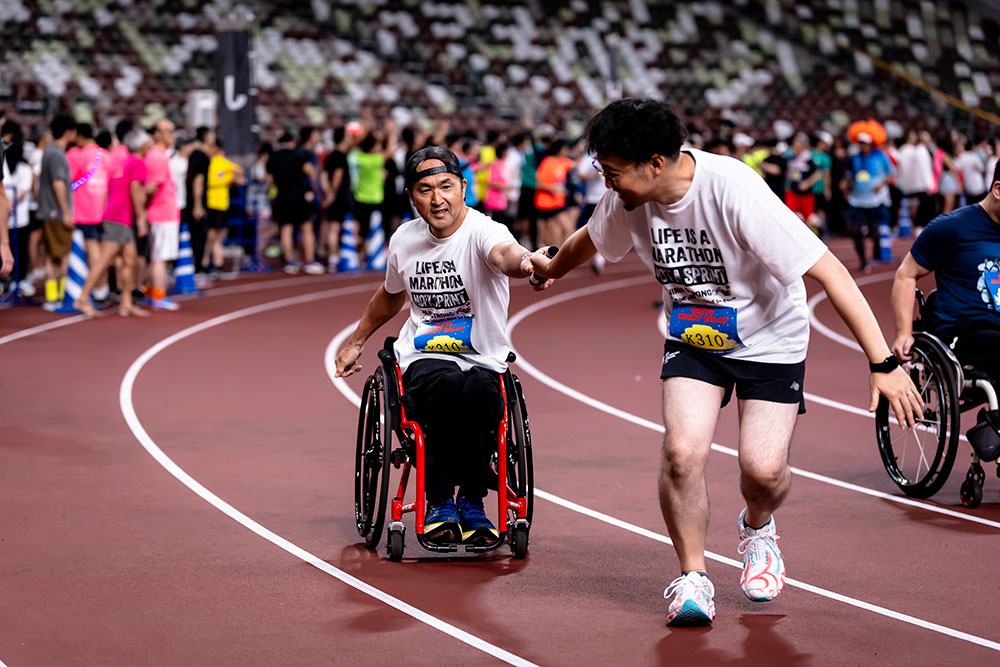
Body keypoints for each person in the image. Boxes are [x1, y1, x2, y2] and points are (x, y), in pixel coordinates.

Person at [527, 98, 922, 627]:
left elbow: (830, 272)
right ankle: (693, 577)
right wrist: (550, 269)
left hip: (770, 340)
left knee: (763, 471)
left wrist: (882, 363)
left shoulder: (733, 189)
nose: (607, 182)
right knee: (681, 454)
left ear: (655, 163)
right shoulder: (627, 199)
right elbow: (590, 239)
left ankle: (758, 527)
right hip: (693, 338)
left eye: (613, 172)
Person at [334, 146, 548, 545]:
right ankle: (440, 501)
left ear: (463, 187)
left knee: (481, 389)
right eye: (426, 190)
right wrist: (355, 341)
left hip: (482, 357)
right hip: (424, 356)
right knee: (445, 382)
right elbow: (391, 294)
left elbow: (506, 255)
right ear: (411, 196)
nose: (437, 199)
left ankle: (471, 500)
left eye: (446, 187)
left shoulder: (485, 231)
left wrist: (528, 262)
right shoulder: (404, 239)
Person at [890, 161, 1000, 447]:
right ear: (998, 190)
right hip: (963, 334)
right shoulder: (952, 227)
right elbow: (906, 274)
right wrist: (903, 332)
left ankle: (992, 429)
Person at [74, 128, 152, 317]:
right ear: (142, 145)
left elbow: (110, 189)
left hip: (115, 216)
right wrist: (141, 218)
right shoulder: (138, 163)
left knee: (129, 259)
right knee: (104, 260)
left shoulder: (122, 162)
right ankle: (82, 298)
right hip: (120, 218)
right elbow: (135, 190)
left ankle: (126, 303)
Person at [67, 122, 111, 304]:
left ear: (79, 136)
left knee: (92, 252)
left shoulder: (76, 155)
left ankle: (97, 289)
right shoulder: (106, 155)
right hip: (104, 210)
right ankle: (102, 288)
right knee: (101, 252)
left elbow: (68, 181)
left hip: (84, 211)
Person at [37, 115, 77, 309]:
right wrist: (66, 213)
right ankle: (60, 297)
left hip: (48, 210)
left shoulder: (50, 151)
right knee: (62, 256)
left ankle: (52, 297)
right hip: (56, 212)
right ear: (68, 132)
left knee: (52, 256)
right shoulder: (56, 154)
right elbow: (58, 184)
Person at [143, 118, 181, 309]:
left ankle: (151, 293)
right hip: (162, 214)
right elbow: (150, 187)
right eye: (168, 131)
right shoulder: (158, 156)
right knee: (160, 257)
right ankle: (158, 296)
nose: (173, 135)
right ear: (157, 134)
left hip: (161, 212)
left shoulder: (157, 154)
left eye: (173, 131)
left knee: (156, 256)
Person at [843, 131, 894, 272]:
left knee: (874, 231)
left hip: (875, 200)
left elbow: (890, 174)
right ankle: (863, 260)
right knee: (856, 231)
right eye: (861, 143)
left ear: (871, 144)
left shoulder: (880, 156)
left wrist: (881, 184)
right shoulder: (854, 158)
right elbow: (848, 175)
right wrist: (845, 186)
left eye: (865, 143)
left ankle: (877, 249)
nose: (863, 145)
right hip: (857, 200)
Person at [268, 131, 318, 274]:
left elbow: (269, 180)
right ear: (292, 142)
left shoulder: (273, 157)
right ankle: (309, 261)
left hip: (282, 196)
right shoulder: (298, 154)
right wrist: (313, 188)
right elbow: (310, 171)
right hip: (300, 196)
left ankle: (290, 262)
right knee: (306, 227)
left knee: (286, 229)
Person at [203, 139, 244, 275]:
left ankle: (217, 262)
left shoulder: (221, 162)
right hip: (213, 203)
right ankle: (207, 261)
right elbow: (212, 181)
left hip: (220, 203)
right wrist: (228, 179)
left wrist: (230, 179)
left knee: (218, 235)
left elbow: (240, 175)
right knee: (212, 235)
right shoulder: (211, 162)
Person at [320, 126, 353, 272]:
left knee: (329, 226)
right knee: (334, 228)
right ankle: (333, 259)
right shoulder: (340, 156)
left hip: (333, 197)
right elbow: (337, 175)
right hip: (339, 197)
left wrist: (327, 192)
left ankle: (329, 256)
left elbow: (323, 176)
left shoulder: (330, 155)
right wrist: (332, 193)